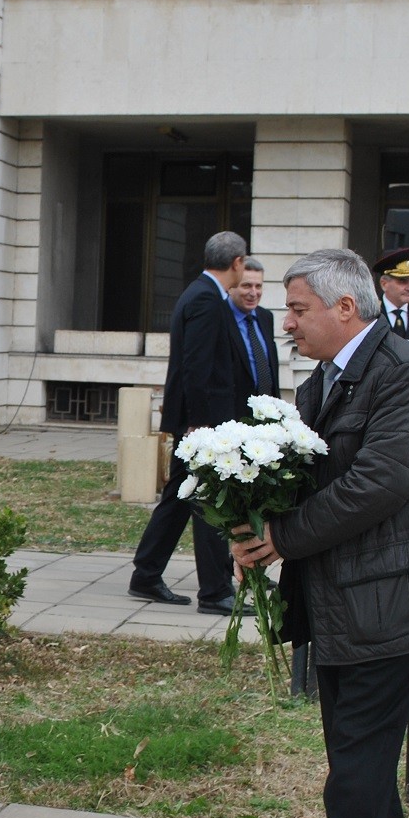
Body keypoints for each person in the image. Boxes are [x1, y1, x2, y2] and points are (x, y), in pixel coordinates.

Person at [230, 249, 409, 818]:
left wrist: (283, 536)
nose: (289, 325)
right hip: (346, 602)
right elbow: (307, 472)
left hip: (392, 603)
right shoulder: (325, 382)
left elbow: (377, 485)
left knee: (358, 761)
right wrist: (247, 517)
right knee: (358, 750)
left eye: (299, 310)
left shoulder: (407, 375)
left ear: (346, 308)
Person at [129, 231, 277, 616]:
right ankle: (214, 592)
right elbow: (196, 369)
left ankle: (145, 573)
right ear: (237, 263)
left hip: (201, 421)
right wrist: (200, 425)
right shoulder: (208, 300)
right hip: (203, 425)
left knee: (179, 497)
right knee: (210, 502)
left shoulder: (200, 294)